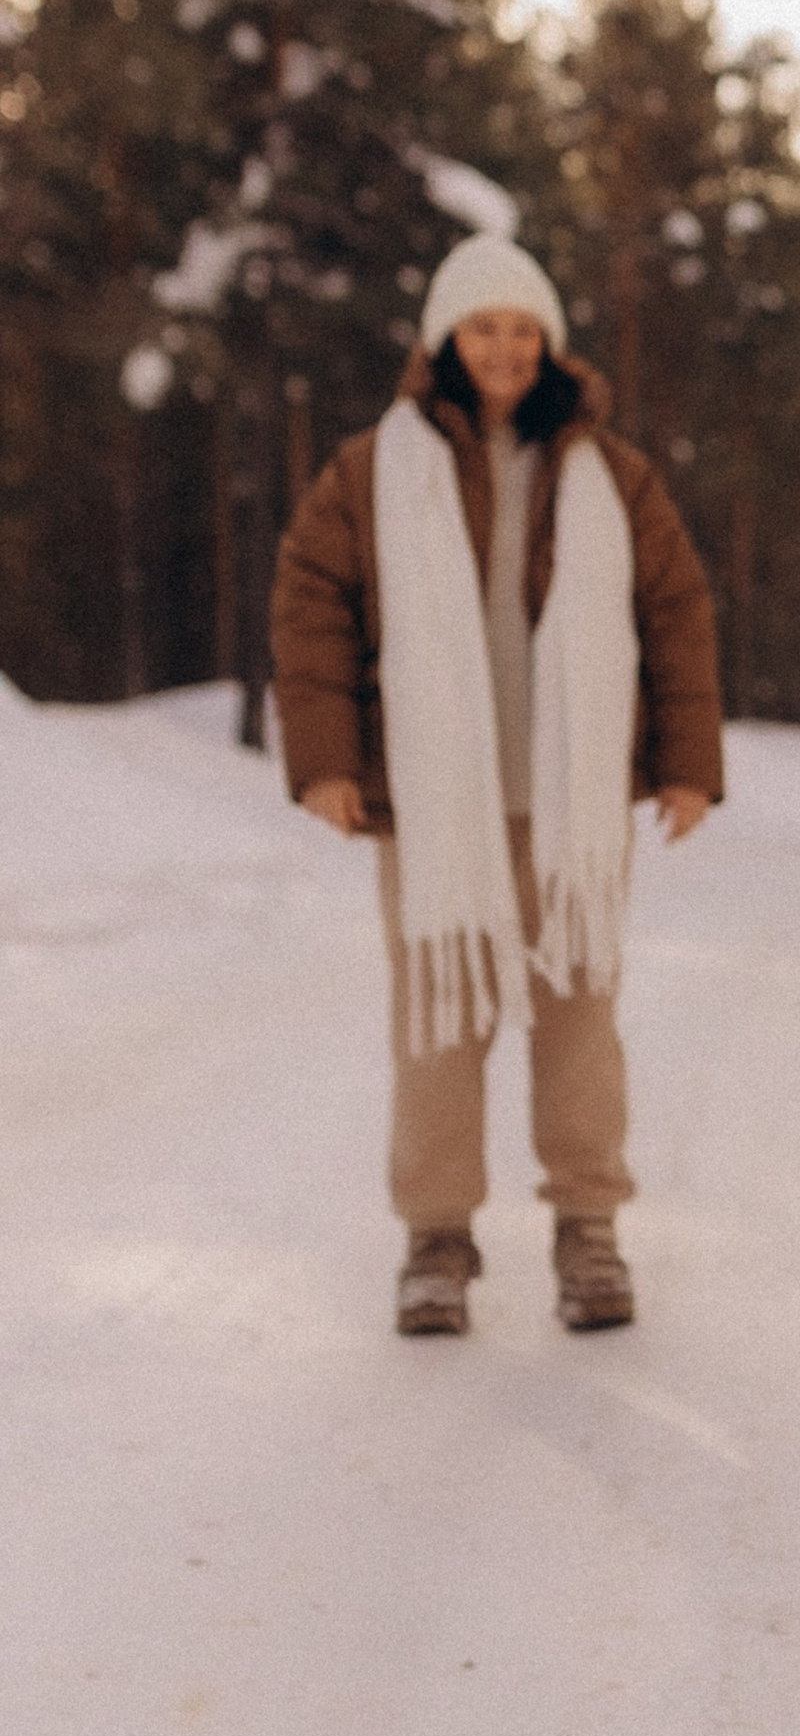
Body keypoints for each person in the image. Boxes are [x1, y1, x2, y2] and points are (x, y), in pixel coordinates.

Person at [270, 232, 722, 1336]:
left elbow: (673, 613)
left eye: (523, 330)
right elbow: (311, 606)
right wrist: (326, 760)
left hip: (570, 810)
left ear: (550, 346)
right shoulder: (371, 473)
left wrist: (687, 767)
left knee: (579, 1020)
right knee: (439, 1026)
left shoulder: (609, 474)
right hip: (432, 810)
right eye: (484, 329)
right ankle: (436, 1238)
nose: (505, 349)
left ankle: (588, 1230)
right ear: (445, 342)